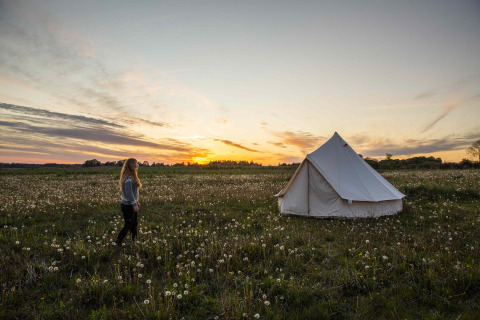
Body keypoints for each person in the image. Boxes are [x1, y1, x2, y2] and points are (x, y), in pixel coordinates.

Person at [115, 158, 142, 250]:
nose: (137, 165)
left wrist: (136, 202)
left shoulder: (131, 176)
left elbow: (133, 193)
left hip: (131, 204)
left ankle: (134, 241)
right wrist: (134, 204)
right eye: (136, 163)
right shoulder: (129, 178)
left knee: (134, 224)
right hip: (128, 205)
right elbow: (129, 193)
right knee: (129, 224)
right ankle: (118, 241)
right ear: (132, 165)